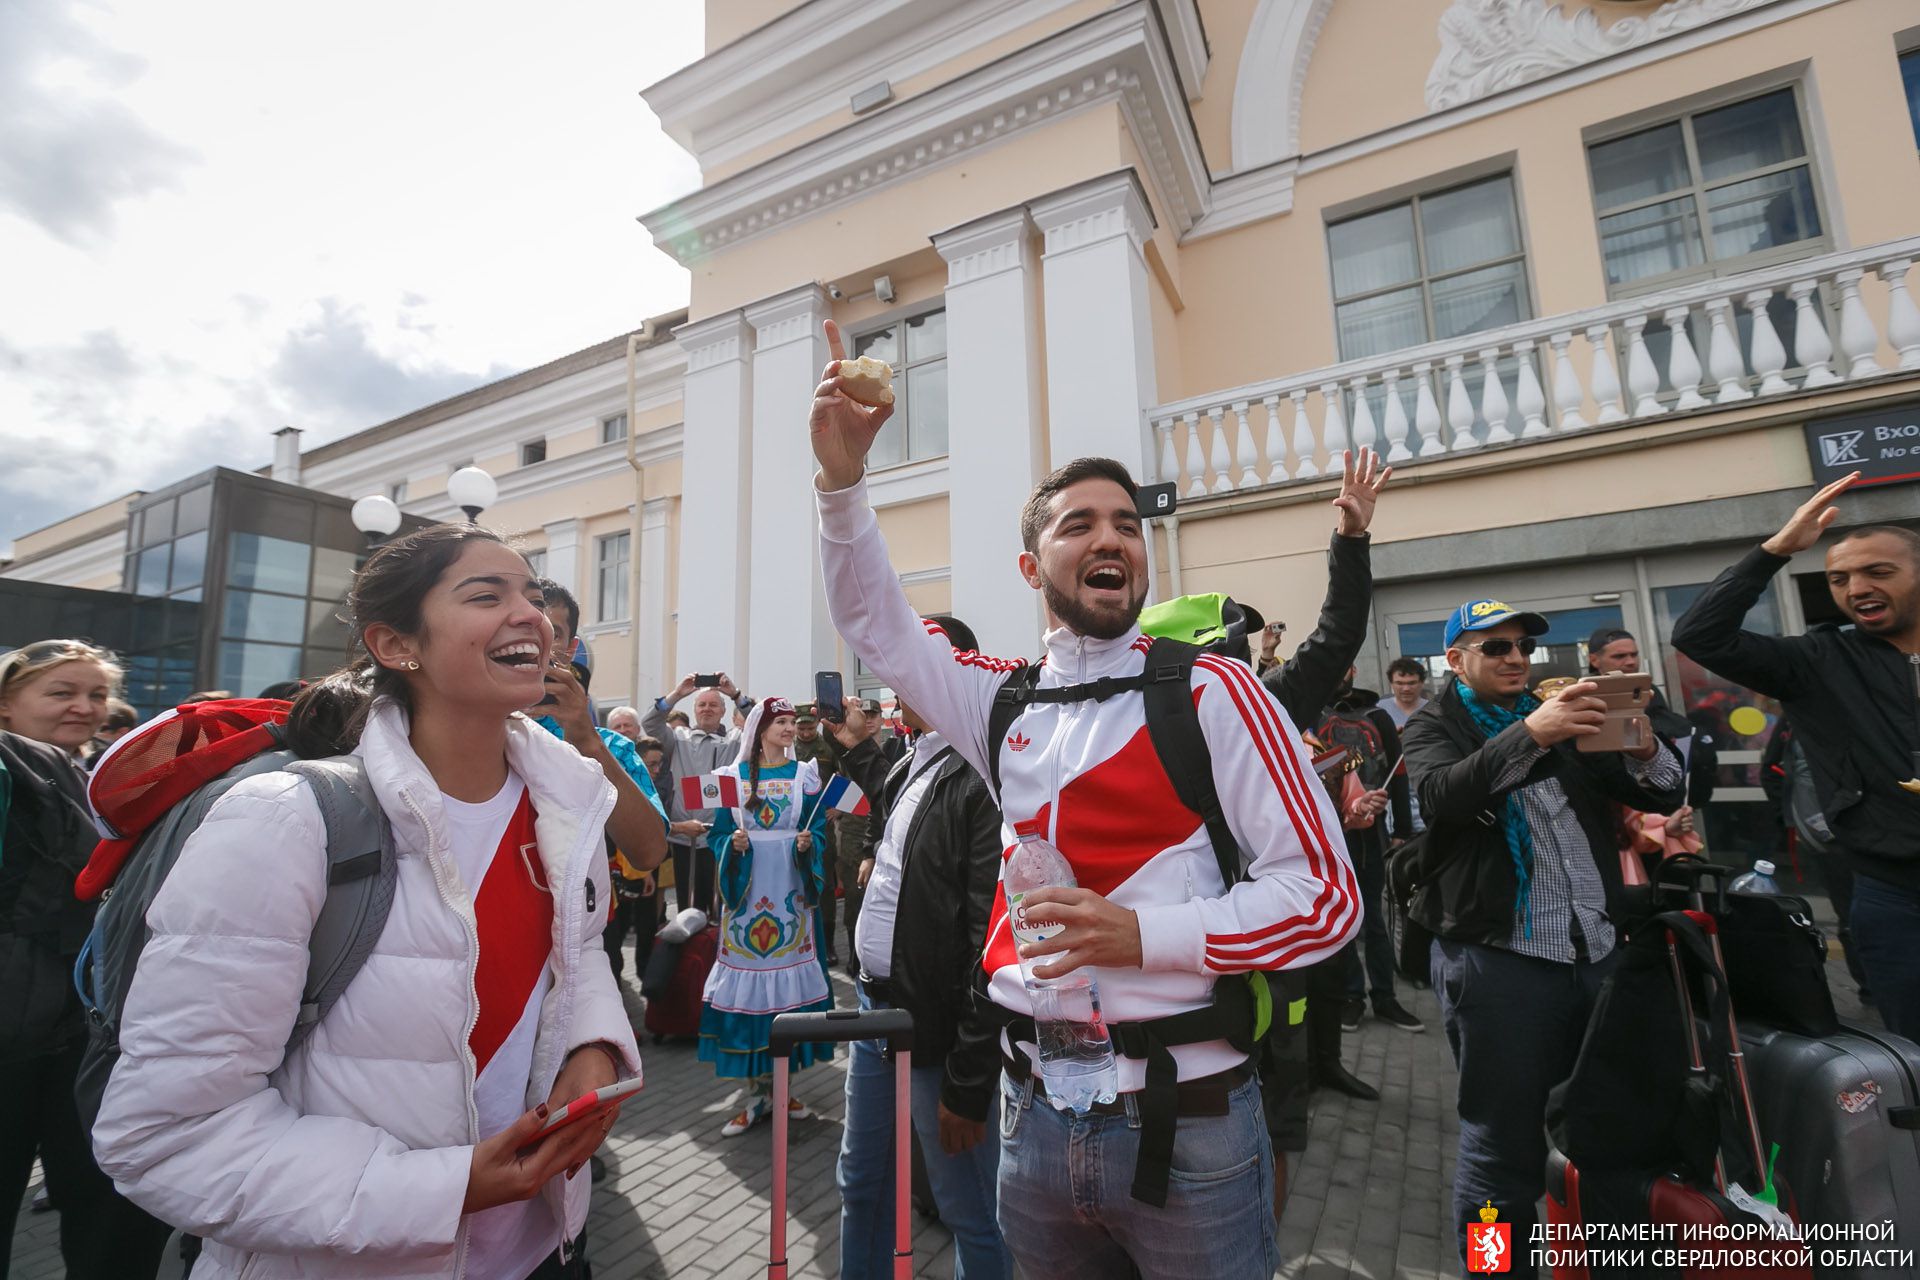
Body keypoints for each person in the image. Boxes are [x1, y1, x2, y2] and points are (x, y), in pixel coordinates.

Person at [811, 318, 1358, 1279]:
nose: (1111, 539)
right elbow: (880, 628)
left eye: (1126, 526)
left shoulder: (1215, 690)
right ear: (1033, 569)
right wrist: (844, 485)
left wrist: (1139, 937)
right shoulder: (999, 698)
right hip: (1034, 1124)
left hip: (1193, 1127)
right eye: (1078, 524)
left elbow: (1324, 897)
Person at [91, 525, 642, 1280]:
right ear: (394, 644)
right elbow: (164, 1135)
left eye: (534, 595)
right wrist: (444, 1191)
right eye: (488, 595)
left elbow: (578, 957)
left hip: (544, 1249)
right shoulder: (284, 821)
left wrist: (595, 1048)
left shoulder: (568, 803)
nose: (533, 616)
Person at [1402, 600, 1683, 1265]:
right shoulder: (1433, 725)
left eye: (1523, 648)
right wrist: (1533, 732)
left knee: (1615, 1135)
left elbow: (1662, 794)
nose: (1515, 660)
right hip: (1500, 964)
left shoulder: (1562, 713)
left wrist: (1645, 746)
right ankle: (1495, 1267)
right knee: (1500, 1155)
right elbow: (1444, 796)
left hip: (1595, 953)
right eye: (1495, 648)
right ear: (1455, 661)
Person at [1671, 473, 1920, 1035]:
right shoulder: (1818, 659)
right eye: (1839, 578)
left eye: (1877, 571)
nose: (1856, 587)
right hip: (1893, 891)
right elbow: (1700, 636)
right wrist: (1774, 551)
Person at [831, 617, 1012, 1280]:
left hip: (934, 1035)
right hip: (874, 1019)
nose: (892, 677)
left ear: (951, 670)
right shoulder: (914, 760)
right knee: (863, 1186)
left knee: (971, 1211)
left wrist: (967, 1084)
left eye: (910, 661)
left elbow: (987, 947)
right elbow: (895, 817)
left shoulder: (984, 776)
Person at [0, 640, 172, 1280]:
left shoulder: (104, 777)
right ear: (6, 706)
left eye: (96, 694)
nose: (85, 707)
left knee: (106, 1206)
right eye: (61, 693)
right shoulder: (15, 770)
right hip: (14, 1036)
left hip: (86, 1030)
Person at [698, 697, 836, 1137]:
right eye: (781, 722)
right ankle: (757, 1093)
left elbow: (816, 827)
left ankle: (783, 1087)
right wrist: (731, 846)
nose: (790, 729)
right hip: (749, 892)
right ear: (759, 729)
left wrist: (807, 845)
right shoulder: (731, 779)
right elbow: (717, 834)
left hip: (790, 894)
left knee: (787, 987)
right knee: (752, 988)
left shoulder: (805, 775)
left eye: (792, 722)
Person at [1316, 668, 1422, 1035]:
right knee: (1342, 920)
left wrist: (1402, 829)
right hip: (1327, 835)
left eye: (1345, 664)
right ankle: (1351, 997)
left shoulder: (1377, 716)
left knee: (1375, 918)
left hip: (1372, 831)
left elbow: (1400, 771)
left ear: (1355, 669)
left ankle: (1385, 996)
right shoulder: (1308, 714)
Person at [1585, 626, 1717, 829]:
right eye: (1619, 656)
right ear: (1594, 660)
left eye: (1634, 654)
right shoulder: (1583, 706)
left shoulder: (1653, 701)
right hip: (1610, 822)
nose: (1630, 661)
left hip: (1664, 816)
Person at [644, 676, 754, 916]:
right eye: (701, 704)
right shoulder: (678, 738)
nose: (707, 709)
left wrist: (735, 694)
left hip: (722, 837)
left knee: (721, 907)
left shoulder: (735, 739)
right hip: (687, 838)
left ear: (724, 710)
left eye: (713, 705)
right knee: (688, 909)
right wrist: (677, 694)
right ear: (694, 710)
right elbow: (649, 723)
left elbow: (761, 723)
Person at [1381, 658, 1429, 732]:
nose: (1406, 689)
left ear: (1422, 683)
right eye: (1400, 683)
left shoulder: (1434, 711)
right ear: (1391, 684)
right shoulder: (1379, 710)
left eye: (1412, 683)